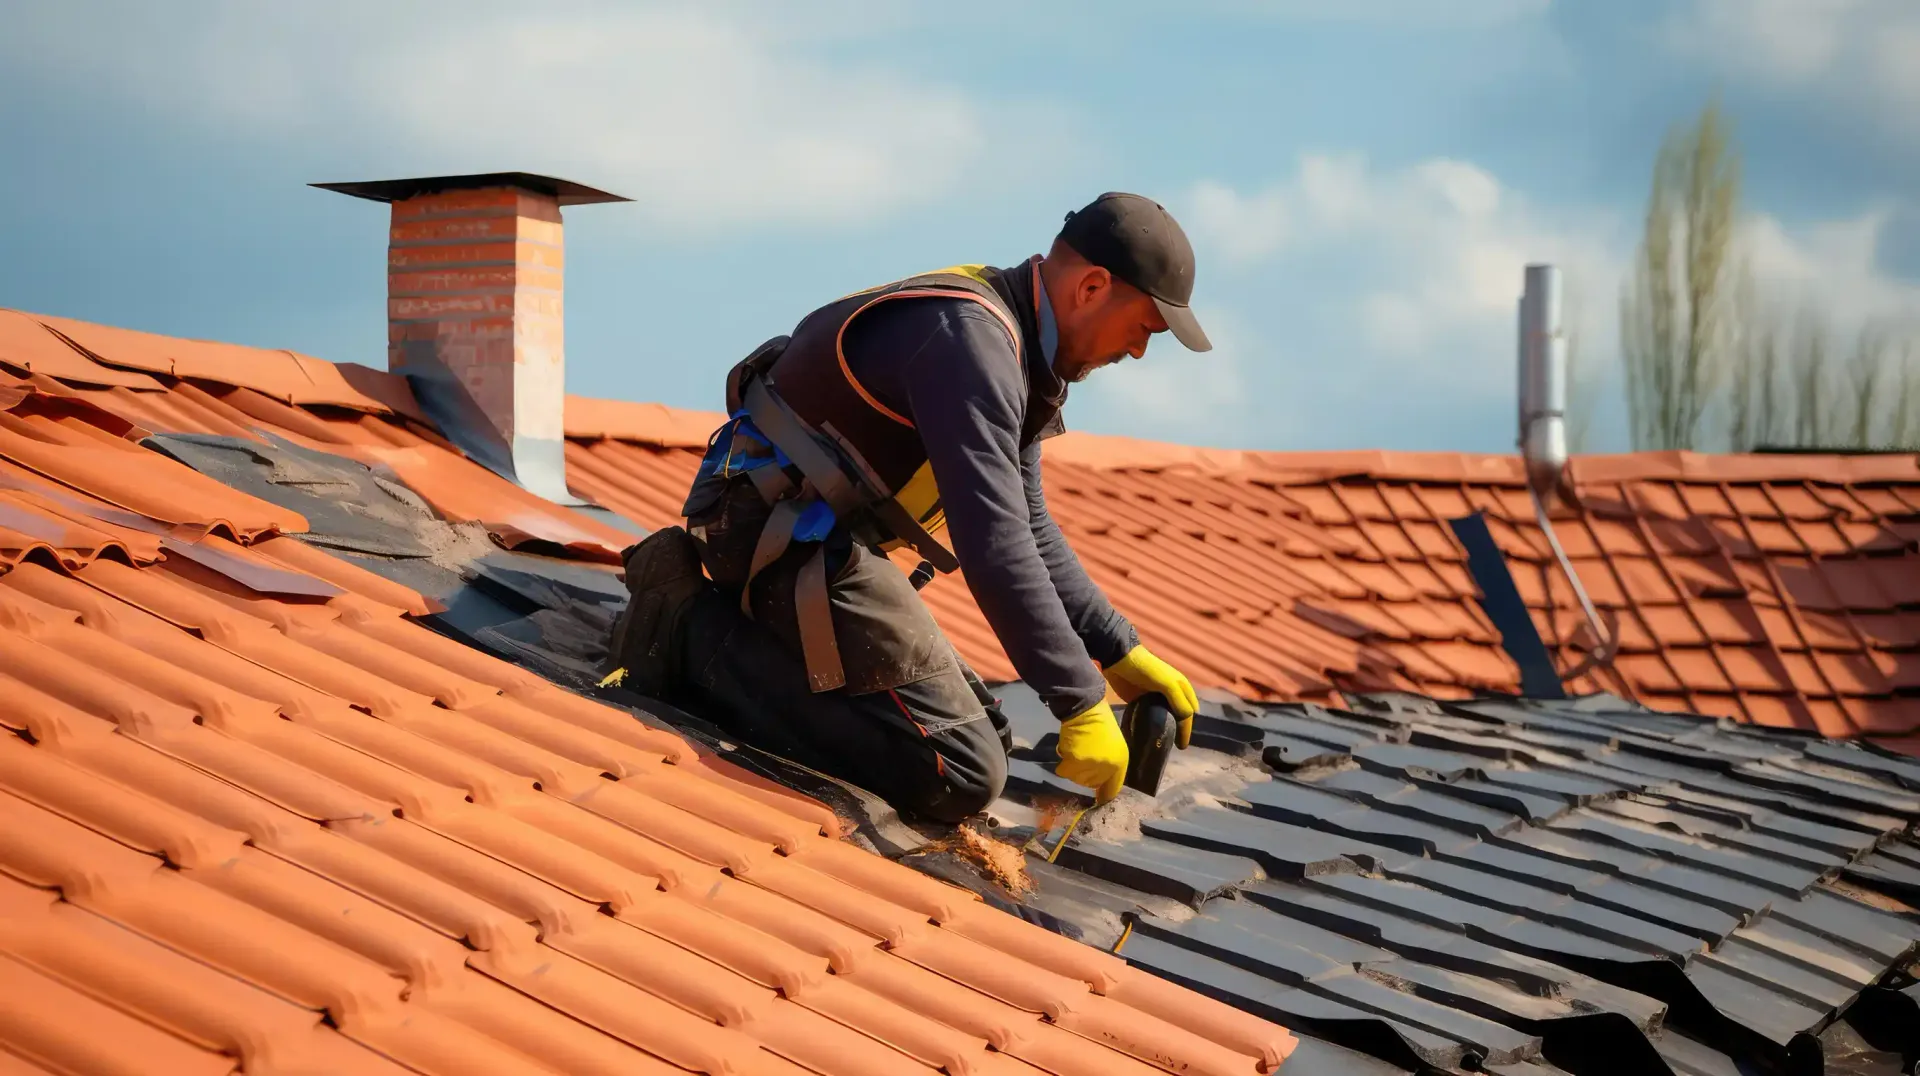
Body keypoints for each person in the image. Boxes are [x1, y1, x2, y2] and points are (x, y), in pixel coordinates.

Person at [604, 192, 1206, 824]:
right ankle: (683, 627)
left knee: (985, 734)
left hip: (817, 542)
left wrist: (1115, 649)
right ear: (1092, 286)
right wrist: (1079, 700)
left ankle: (737, 642)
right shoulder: (971, 343)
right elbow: (994, 542)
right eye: (1144, 329)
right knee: (962, 768)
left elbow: (1028, 522)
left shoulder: (1014, 342)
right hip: (769, 531)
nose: (1138, 352)